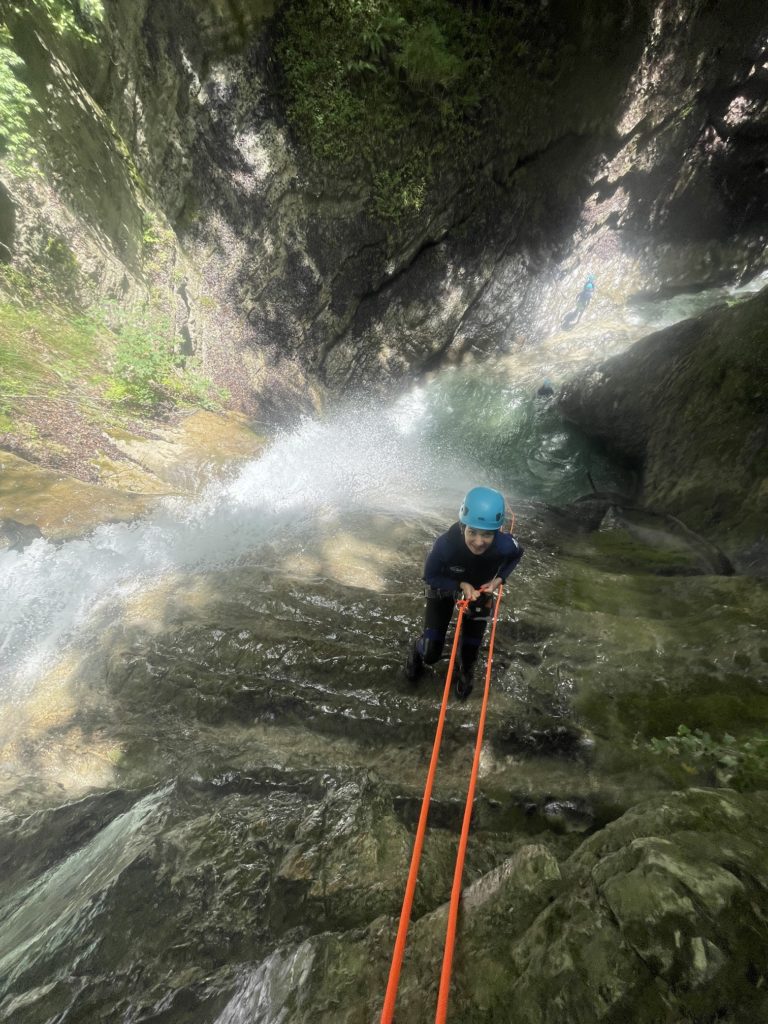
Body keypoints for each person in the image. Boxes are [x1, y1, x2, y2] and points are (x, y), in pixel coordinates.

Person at [405, 486, 524, 700]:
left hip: (480, 593)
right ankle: (417, 647)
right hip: (444, 589)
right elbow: (430, 576)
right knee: (431, 653)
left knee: (469, 655)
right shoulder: (445, 545)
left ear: (497, 531)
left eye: (487, 534)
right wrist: (460, 584)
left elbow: (517, 554)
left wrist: (499, 579)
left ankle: (466, 671)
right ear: (463, 526)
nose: (479, 542)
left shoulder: (504, 545)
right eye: (472, 532)